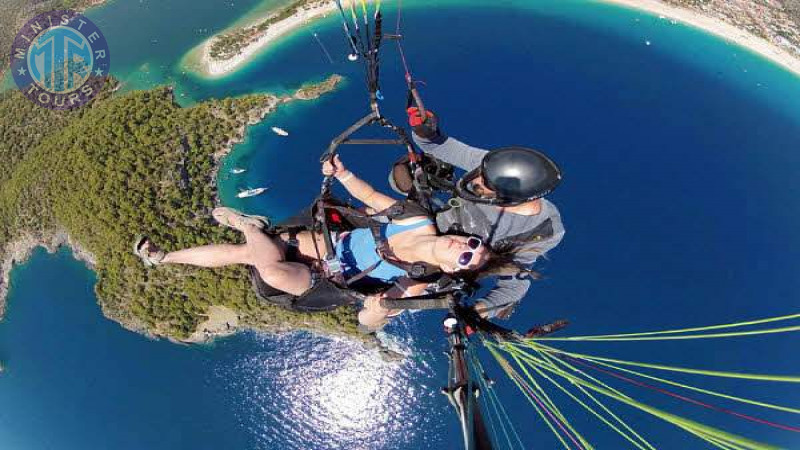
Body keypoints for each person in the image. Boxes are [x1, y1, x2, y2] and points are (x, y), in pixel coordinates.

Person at [135, 156, 491, 330]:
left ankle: (247, 225)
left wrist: (378, 310)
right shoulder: (416, 219)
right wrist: (342, 173)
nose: (465, 248)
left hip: (324, 280)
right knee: (242, 254)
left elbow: (367, 320)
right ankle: (164, 257)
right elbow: (370, 194)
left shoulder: (419, 280)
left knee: (270, 271)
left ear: (450, 269)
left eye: (466, 258)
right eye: (472, 243)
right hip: (322, 244)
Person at [403, 107, 566, 319]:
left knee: (404, 287)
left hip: (446, 258)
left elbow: (515, 280)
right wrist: (426, 131)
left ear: (508, 200)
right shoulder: (495, 166)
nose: (477, 180)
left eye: (484, 185)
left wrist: (478, 313)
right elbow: (444, 148)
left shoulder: (542, 231)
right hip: (424, 224)